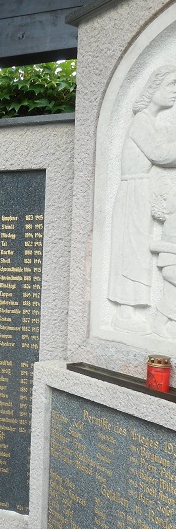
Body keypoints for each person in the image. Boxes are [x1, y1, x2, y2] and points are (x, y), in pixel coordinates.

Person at [108, 65, 176, 333]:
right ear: (153, 89)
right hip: (132, 192)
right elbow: (160, 153)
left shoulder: (152, 122)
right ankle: (124, 312)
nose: (175, 93)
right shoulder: (141, 120)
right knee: (131, 251)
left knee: (137, 251)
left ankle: (131, 310)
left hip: (142, 192)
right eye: (171, 86)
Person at [150, 179, 176, 338]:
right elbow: (167, 244)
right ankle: (159, 323)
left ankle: (162, 323)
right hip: (171, 264)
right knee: (170, 294)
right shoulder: (173, 221)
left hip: (170, 264)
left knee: (171, 294)